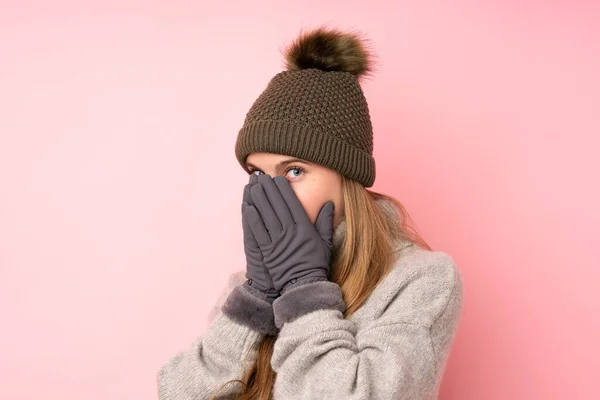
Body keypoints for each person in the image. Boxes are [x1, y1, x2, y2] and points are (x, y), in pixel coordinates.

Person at [157, 26, 463, 400]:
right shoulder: (246, 285)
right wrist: (254, 303)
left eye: (294, 171)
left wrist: (304, 293)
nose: (272, 194)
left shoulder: (420, 280)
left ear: (346, 177)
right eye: (257, 174)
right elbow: (177, 394)